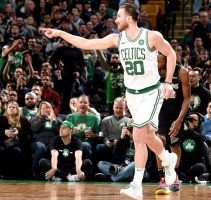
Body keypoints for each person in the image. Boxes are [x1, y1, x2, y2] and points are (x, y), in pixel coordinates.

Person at [41, 3, 177, 199]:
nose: (115, 19)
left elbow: (171, 53)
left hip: (151, 92)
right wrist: (60, 33)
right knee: (147, 136)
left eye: (119, 16)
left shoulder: (151, 36)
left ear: (129, 18)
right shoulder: (117, 39)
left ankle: (136, 186)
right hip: (132, 94)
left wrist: (168, 82)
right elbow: (86, 43)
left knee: (138, 134)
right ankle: (167, 159)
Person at [155, 53, 190, 194]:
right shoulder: (153, 70)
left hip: (176, 114)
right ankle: (162, 180)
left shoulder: (182, 72)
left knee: (175, 145)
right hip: (160, 113)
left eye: (159, 60)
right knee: (159, 143)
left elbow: (187, 99)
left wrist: (179, 120)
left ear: (168, 59)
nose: (156, 62)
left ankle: (174, 177)